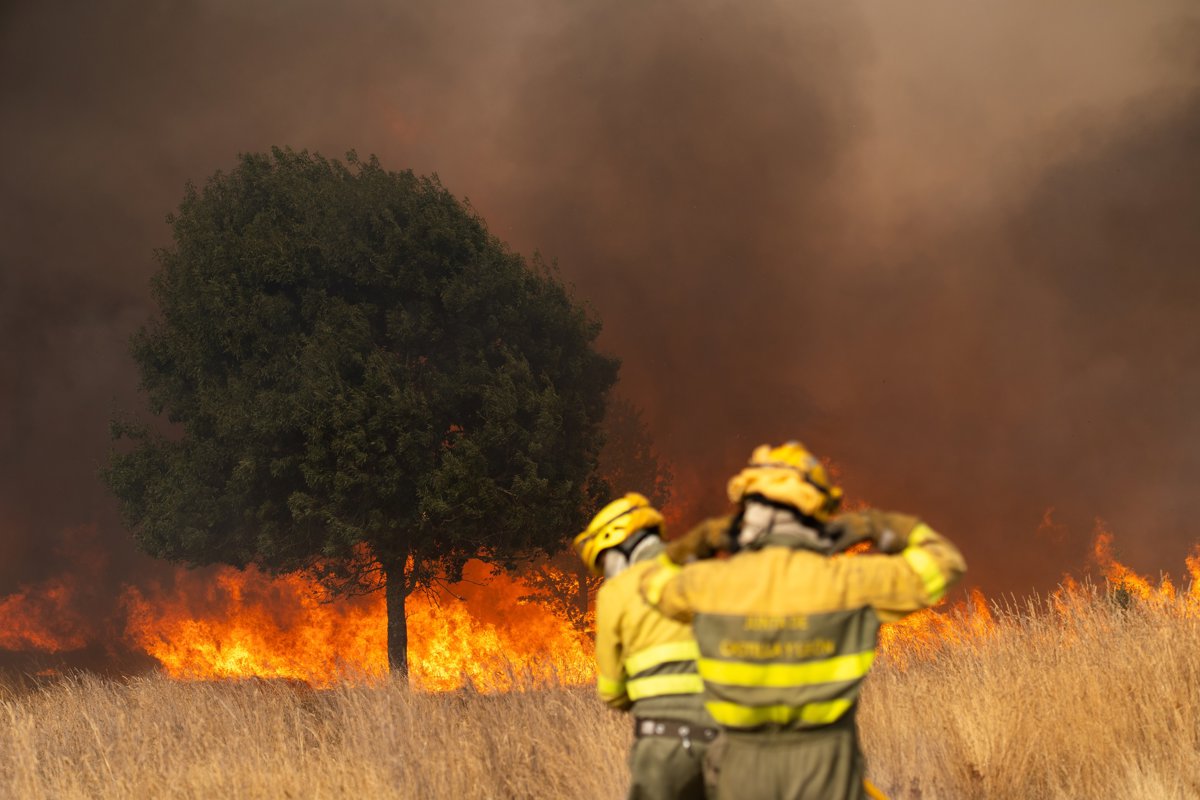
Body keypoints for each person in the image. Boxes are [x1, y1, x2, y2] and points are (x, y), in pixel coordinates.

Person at [640, 442, 966, 800]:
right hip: (826, 771)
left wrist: (703, 539)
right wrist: (877, 526)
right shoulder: (850, 582)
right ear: (817, 511)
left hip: (740, 773)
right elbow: (945, 563)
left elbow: (651, 581)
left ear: (746, 514)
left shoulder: (710, 585)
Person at [575, 492, 719, 800]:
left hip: (664, 745)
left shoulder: (616, 592)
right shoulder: (703, 572)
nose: (606, 574)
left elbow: (612, 692)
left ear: (620, 544)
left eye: (605, 562)